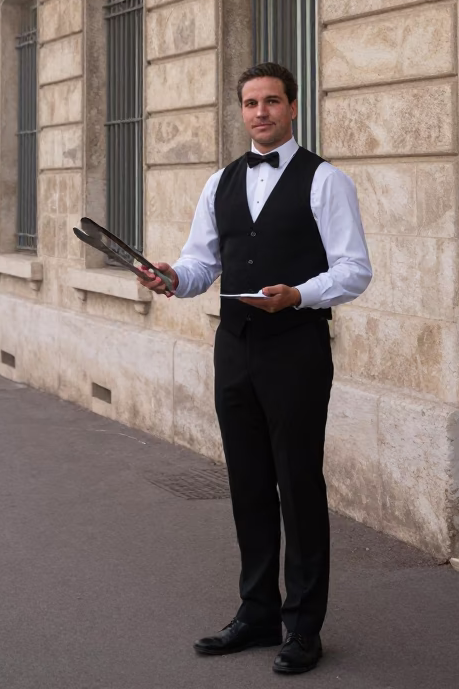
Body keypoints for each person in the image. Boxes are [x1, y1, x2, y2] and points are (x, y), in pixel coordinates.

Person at [137, 62, 372, 676]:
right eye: (250, 103)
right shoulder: (219, 182)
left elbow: (354, 270)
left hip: (296, 346)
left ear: (292, 107)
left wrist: (299, 294)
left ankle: (304, 626)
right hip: (235, 346)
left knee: (298, 484)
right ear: (241, 111)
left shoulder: (326, 180)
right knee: (247, 483)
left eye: (271, 101)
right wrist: (171, 278)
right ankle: (258, 612)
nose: (260, 112)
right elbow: (201, 264)